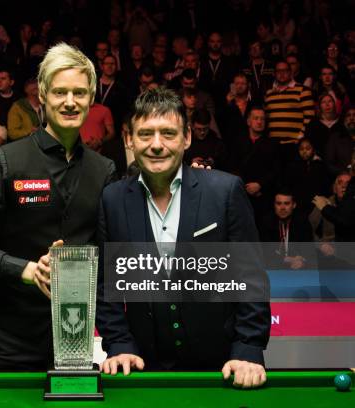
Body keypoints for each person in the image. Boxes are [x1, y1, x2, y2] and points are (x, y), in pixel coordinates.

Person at [96, 88, 270, 388]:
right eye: (145, 134)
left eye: (168, 133)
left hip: (224, 366)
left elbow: (250, 277)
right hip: (142, 368)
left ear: (187, 137)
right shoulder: (112, 199)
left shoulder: (225, 191)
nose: (156, 145)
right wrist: (119, 343)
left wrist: (248, 348)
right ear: (129, 139)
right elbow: (104, 285)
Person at [0, 43, 116, 371]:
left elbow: (109, 253)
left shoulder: (105, 170)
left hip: (76, 336)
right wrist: (26, 269)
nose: (70, 102)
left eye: (79, 92)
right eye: (60, 92)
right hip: (8, 337)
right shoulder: (2, 161)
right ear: (42, 95)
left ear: (91, 98)